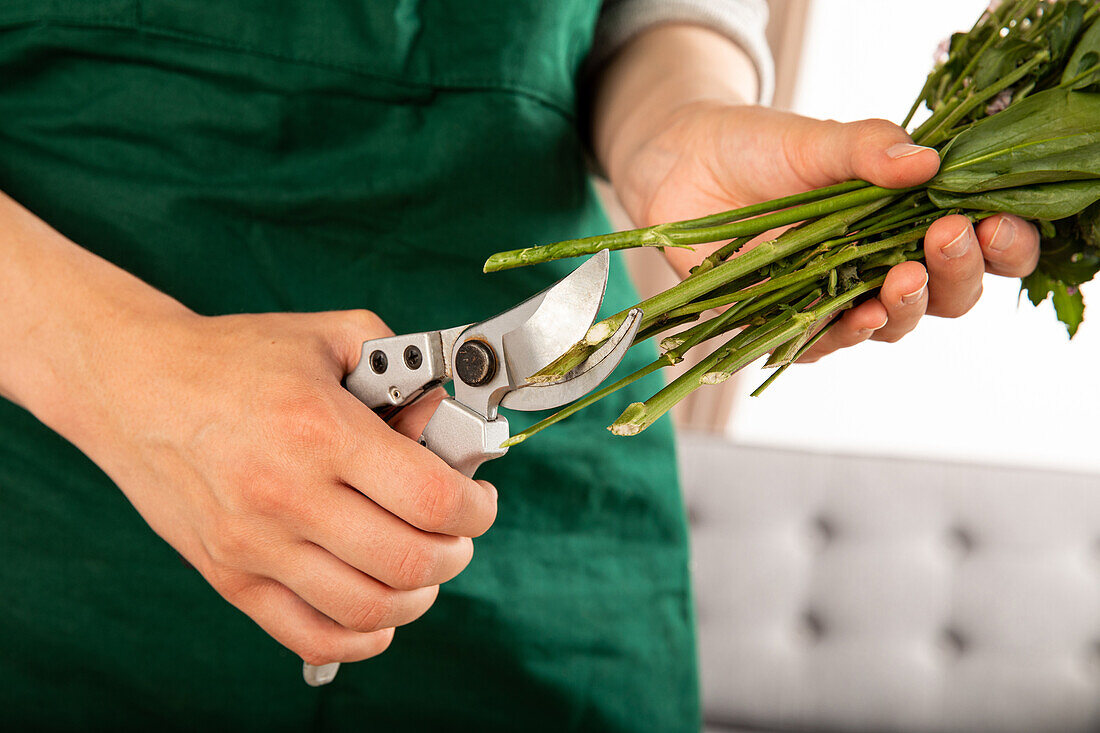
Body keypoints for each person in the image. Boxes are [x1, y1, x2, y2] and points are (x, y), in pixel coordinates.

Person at [0, 1, 1040, 730]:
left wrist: (676, 134)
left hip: (556, 526)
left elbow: (655, 14)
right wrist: (115, 364)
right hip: (60, 522)